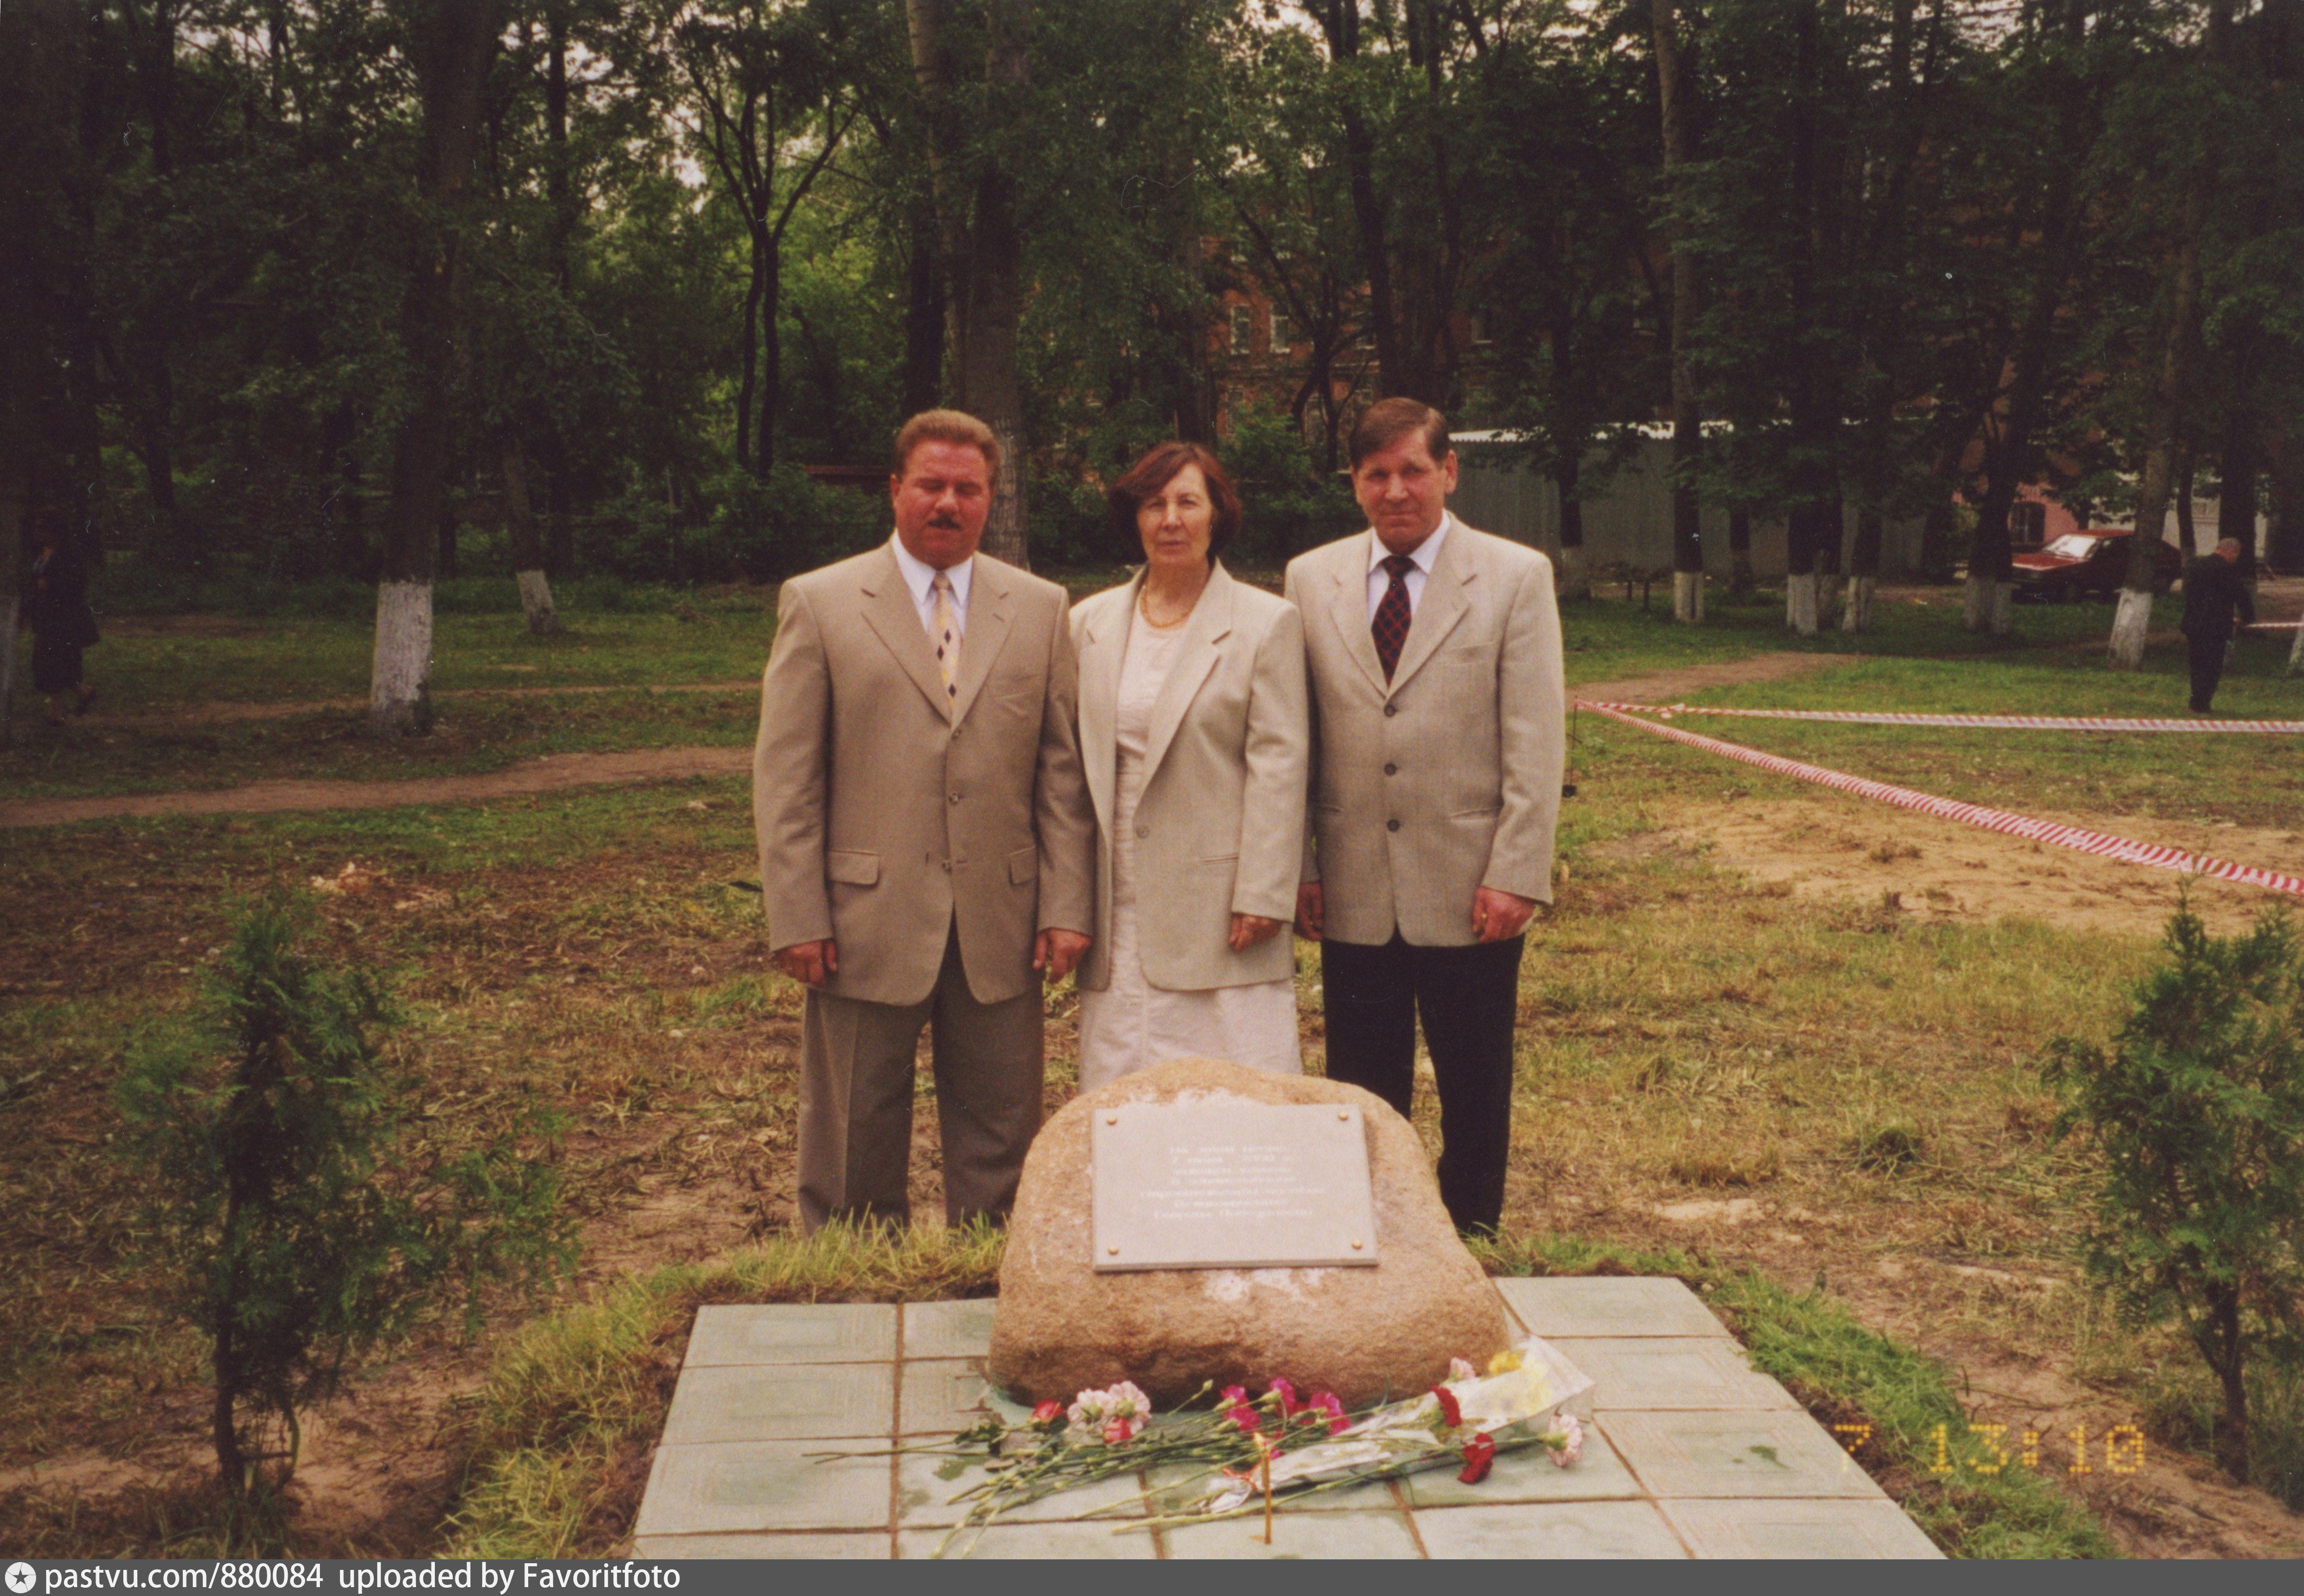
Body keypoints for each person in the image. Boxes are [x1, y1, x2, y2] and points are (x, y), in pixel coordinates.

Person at [753, 409, 1095, 1232]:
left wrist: (1065, 904)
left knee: (1002, 1125)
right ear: (895, 489)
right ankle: (853, 1273)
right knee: (852, 1126)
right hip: (860, 919)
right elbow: (788, 776)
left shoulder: (1041, 608)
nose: (948, 503)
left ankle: (990, 1268)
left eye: (967, 489)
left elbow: (1060, 772)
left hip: (1000, 919)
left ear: (990, 499)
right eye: (931, 485)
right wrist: (797, 914)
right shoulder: (821, 602)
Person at [1284, 398, 1565, 1237]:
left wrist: (1517, 872)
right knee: (1362, 1084)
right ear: (1354, 484)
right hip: (1353, 884)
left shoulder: (1515, 576)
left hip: (1471, 884)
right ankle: (1373, 1233)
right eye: (1376, 474)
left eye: (1413, 470)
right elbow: (1295, 737)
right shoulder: (1310, 579)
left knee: (1474, 1078)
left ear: (1449, 471)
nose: (1396, 490)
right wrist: (1302, 866)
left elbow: (1536, 738)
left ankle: (1471, 1231)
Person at [1070, 442, 1310, 1090]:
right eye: (1154, 504)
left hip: (1222, 902)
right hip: (1116, 895)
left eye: (1187, 502)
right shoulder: (1086, 623)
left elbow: (1279, 765)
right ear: (1134, 518)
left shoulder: (1266, 623)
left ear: (1216, 515)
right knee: (1124, 1084)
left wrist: (1263, 891)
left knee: (1234, 1087)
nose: (1170, 519)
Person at [23, 511, 99, 724]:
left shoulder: (69, 554)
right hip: (45, 616)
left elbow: (77, 583)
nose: (38, 532)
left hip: (63, 617)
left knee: (55, 660)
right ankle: (83, 691)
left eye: (42, 528)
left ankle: (55, 712)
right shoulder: (41, 553)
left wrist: (52, 585)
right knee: (48, 661)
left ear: (55, 529)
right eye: (37, 527)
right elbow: (35, 583)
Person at [2181, 536, 2255, 715]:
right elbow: (2241, 595)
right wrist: (2248, 617)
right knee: (2212, 667)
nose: (2235, 558)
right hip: (2215, 625)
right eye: (2236, 555)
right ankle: (2202, 705)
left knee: (2197, 666)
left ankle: (2194, 704)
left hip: (2194, 623)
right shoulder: (2226, 569)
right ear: (2231, 552)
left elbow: (2189, 593)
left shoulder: (2196, 566)